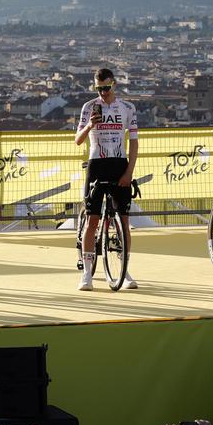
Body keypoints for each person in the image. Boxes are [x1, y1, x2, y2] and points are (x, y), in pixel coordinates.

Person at [74, 68, 139, 292]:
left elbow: (134, 142)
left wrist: (129, 172)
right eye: (98, 88)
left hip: (120, 164)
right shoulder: (88, 107)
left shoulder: (128, 108)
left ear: (114, 85)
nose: (102, 92)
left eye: (106, 88)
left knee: (124, 223)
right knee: (93, 221)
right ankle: (87, 273)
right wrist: (91, 125)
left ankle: (125, 270)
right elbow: (78, 141)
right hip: (97, 165)